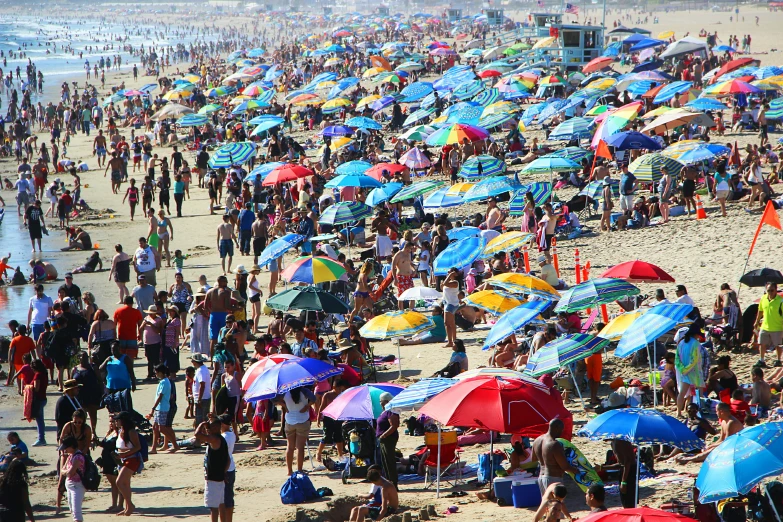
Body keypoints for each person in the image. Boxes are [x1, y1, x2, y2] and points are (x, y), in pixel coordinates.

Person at [676, 402, 743, 464]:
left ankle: (689, 459)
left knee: (712, 450)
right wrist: (710, 445)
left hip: (735, 447)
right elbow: (721, 438)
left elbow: (727, 442)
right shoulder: (724, 421)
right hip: (728, 444)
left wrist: (712, 447)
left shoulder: (731, 422)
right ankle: (692, 457)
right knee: (708, 449)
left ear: (721, 412)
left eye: (716, 411)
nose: (716, 413)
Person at [195, 418, 230, 522]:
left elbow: (197, 435)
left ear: (219, 427)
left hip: (213, 478)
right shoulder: (221, 439)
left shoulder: (214, 439)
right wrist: (224, 472)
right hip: (219, 477)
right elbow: (228, 460)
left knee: (213, 508)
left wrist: (201, 424)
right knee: (220, 504)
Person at [532, 419, 577, 496]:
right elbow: (565, 467)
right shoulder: (554, 444)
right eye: (561, 430)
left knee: (547, 505)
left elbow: (533, 459)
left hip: (541, 477)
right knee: (556, 505)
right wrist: (580, 471)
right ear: (556, 428)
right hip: (553, 478)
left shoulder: (537, 440)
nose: (561, 432)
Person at [281, 385, 314, 476]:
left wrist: (284, 405)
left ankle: (289, 470)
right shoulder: (304, 391)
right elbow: (314, 399)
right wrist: (307, 406)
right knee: (300, 447)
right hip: (303, 419)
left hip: (290, 420)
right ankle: (299, 469)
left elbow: (273, 399)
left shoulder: (285, 392)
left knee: (290, 447)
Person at [113, 411, 141, 516]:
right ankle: (128, 508)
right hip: (123, 460)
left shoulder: (131, 431)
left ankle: (130, 505)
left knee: (119, 482)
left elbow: (138, 447)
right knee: (126, 484)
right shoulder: (121, 430)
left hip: (132, 459)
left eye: (118, 420)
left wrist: (123, 454)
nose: (116, 422)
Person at [597, 438, 637, 508]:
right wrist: (602, 468)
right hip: (625, 470)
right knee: (625, 500)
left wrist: (624, 482)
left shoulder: (620, 442)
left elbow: (627, 463)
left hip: (629, 471)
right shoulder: (614, 442)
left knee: (629, 501)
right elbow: (620, 464)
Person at [675, 324, 704, 417]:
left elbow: (677, 359)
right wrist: (688, 369)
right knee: (699, 393)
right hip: (695, 371)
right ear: (695, 334)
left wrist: (683, 369)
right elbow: (694, 359)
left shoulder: (681, 343)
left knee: (682, 393)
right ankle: (699, 412)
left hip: (684, 371)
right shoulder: (696, 343)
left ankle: (679, 412)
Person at [149, 364, 179, 453]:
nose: (156, 374)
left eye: (157, 372)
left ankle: (175, 445)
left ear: (161, 372)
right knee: (155, 427)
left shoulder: (165, 382)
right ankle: (154, 448)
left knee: (162, 428)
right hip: (160, 408)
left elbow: (160, 396)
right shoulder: (163, 381)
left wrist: (153, 408)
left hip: (163, 408)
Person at [755, 281, 783, 367]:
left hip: (777, 327)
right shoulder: (763, 298)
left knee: (778, 345)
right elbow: (760, 311)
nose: (770, 292)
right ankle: (762, 360)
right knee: (762, 343)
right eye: (768, 290)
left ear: (776, 290)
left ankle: (778, 360)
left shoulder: (780, 301)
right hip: (765, 326)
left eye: (772, 290)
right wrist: (756, 321)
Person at [59, 435, 86, 522]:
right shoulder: (71, 455)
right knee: (72, 510)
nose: (64, 450)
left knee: (76, 512)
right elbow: (62, 470)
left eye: (66, 447)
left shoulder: (78, 457)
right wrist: (66, 472)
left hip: (77, 486)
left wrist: (66, 472)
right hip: (70, 485)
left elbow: (70, 473)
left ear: (72, 446)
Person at [377, 392, 399, 489]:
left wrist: (384, 435)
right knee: (385, 461)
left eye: (381, 402)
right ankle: (389, 481)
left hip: (388, 438)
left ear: (386, 402)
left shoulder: (391, 411)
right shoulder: (386, 411)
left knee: (389, 461)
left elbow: (394, 425)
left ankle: (393, 483)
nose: (380, 403)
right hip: (384, 438)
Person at [218, 413, 237, 522]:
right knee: (228, 498)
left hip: (225, 469)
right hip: (231, 468)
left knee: (223, 500)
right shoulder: (232, 434)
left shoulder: (224, 437)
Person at [191, 354, 212, 427]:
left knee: (200, 419)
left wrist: (199, 399)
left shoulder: (200, 371)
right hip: (204, 397)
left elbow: (202, 385)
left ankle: (201, 436)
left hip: (202, 398)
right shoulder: (203, 369)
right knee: (204, 418)